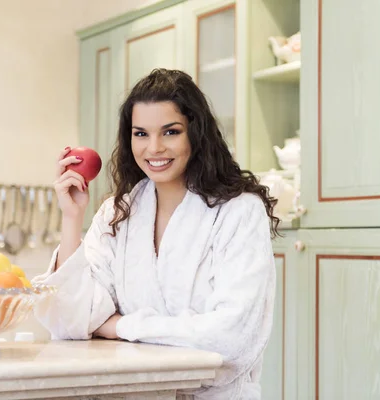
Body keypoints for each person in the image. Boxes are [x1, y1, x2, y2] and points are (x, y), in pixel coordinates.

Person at [32, 68, 279, 400]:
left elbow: (230, 338)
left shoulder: (239, 212)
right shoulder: (118, 213)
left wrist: (119, 326)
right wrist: (72, 217)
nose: (154, 148)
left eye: (170, 131)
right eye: (141, 134)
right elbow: (69, 322)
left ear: (196, 133)